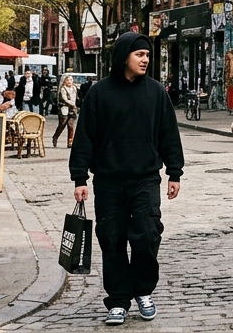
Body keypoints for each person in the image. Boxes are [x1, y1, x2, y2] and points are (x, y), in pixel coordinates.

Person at [70, 32, 185, 327]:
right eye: (140, 55)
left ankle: (143, 291)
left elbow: (168, 135)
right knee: (112, 239)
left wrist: (174, 171)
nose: (146, 59)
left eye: (147, 55)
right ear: (124, 57)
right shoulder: (99, 93)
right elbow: (85, 137)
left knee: (147, 234)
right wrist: (79, 177)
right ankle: (119, 300)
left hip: (146, 178)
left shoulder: (157, 92)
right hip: (108, 181)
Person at [54, 75, 79, 148]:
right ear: (64, 81)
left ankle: (70, 142)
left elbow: (75, 98)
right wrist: (71, 104)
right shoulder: (63, 89)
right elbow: (65, 98)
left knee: (71, 126)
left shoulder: (74, 88)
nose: (69, 81)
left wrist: (75, 105)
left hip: (73, 109)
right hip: (64, 108)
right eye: (67, 80)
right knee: (62, 124)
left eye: (71, 80)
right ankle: (55, 137)